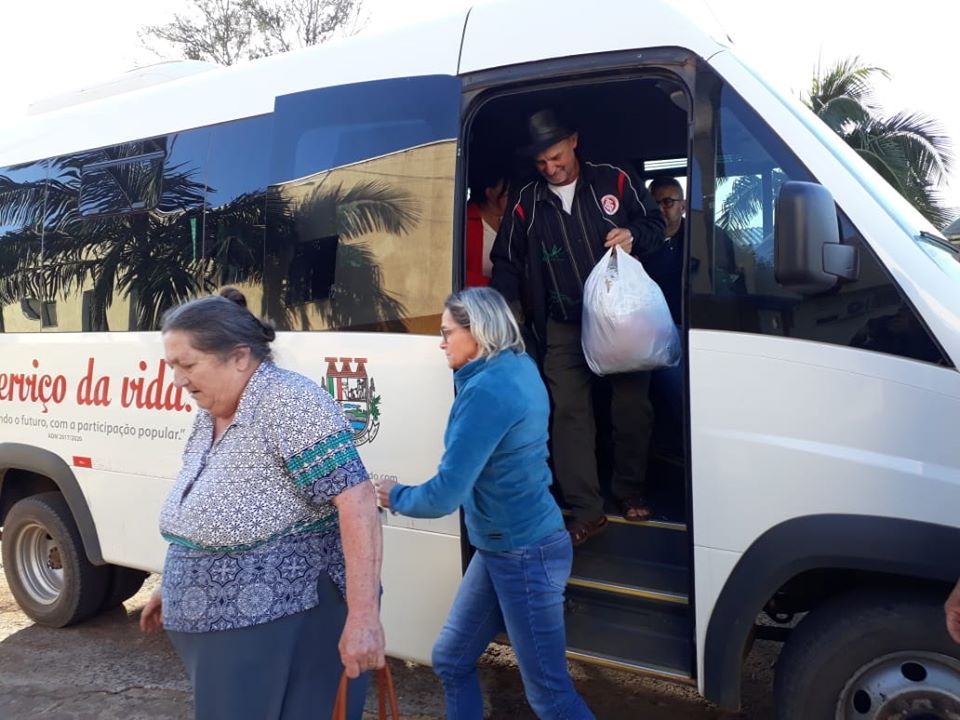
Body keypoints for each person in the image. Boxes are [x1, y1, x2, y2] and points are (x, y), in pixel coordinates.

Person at [140, 293, 385, 720]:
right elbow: (202, 507)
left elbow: (358, 501)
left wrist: (364, 617)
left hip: (286, 619)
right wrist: (176, 581)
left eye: (188, 364)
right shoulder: (213, 410)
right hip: (228, 633)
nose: (178, 380)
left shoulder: (287, 401)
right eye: (171, 366)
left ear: (239, 357)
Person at [374, 287, 594, 720]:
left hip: (523, 553)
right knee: (451, 659)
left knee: (551, 697)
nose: (441, 343)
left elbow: (445, 494)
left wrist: (392, 495)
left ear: (477, 331)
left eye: (446, 333)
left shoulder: (486, 392)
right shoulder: (518, 366)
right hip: (506, 547)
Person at [490, 108, 665, 545]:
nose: (551, 168)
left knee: (631, 408)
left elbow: (656, 224)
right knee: (569, 414)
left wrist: (633, 236)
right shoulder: (526, 201)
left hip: (622, 320)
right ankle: (587, 510)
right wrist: (504, 312)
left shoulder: (614, 180)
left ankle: (630, 489)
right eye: (541, 163)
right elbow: (506, 261)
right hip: (562, 324)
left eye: (556, 157)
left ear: (573, 141)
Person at [466, 163, 510, 287]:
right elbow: (455, 272)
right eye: (507, 194)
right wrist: (493, 286)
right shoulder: (465, 223)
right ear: (490, 193)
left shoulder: (515, 219)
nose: (512, 198)